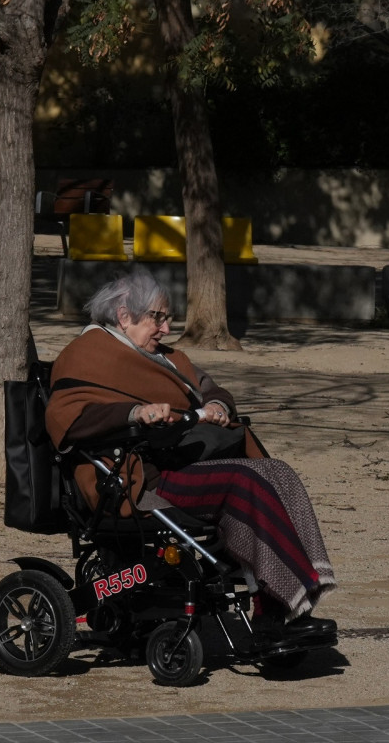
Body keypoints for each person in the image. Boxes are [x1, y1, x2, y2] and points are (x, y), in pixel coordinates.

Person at [44, 268, 336, 636]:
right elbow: (67, 416)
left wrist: (217, 406)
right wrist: (134, 413)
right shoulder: (86, 355)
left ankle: (286, 598)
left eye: (167, 318)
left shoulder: (168, 358)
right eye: (158, 317)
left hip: (181, 459)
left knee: (277, 472)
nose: (166, 328)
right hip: (134, 476)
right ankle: (277, 602)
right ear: (124, 316)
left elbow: (210, 387)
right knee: (242, 480)